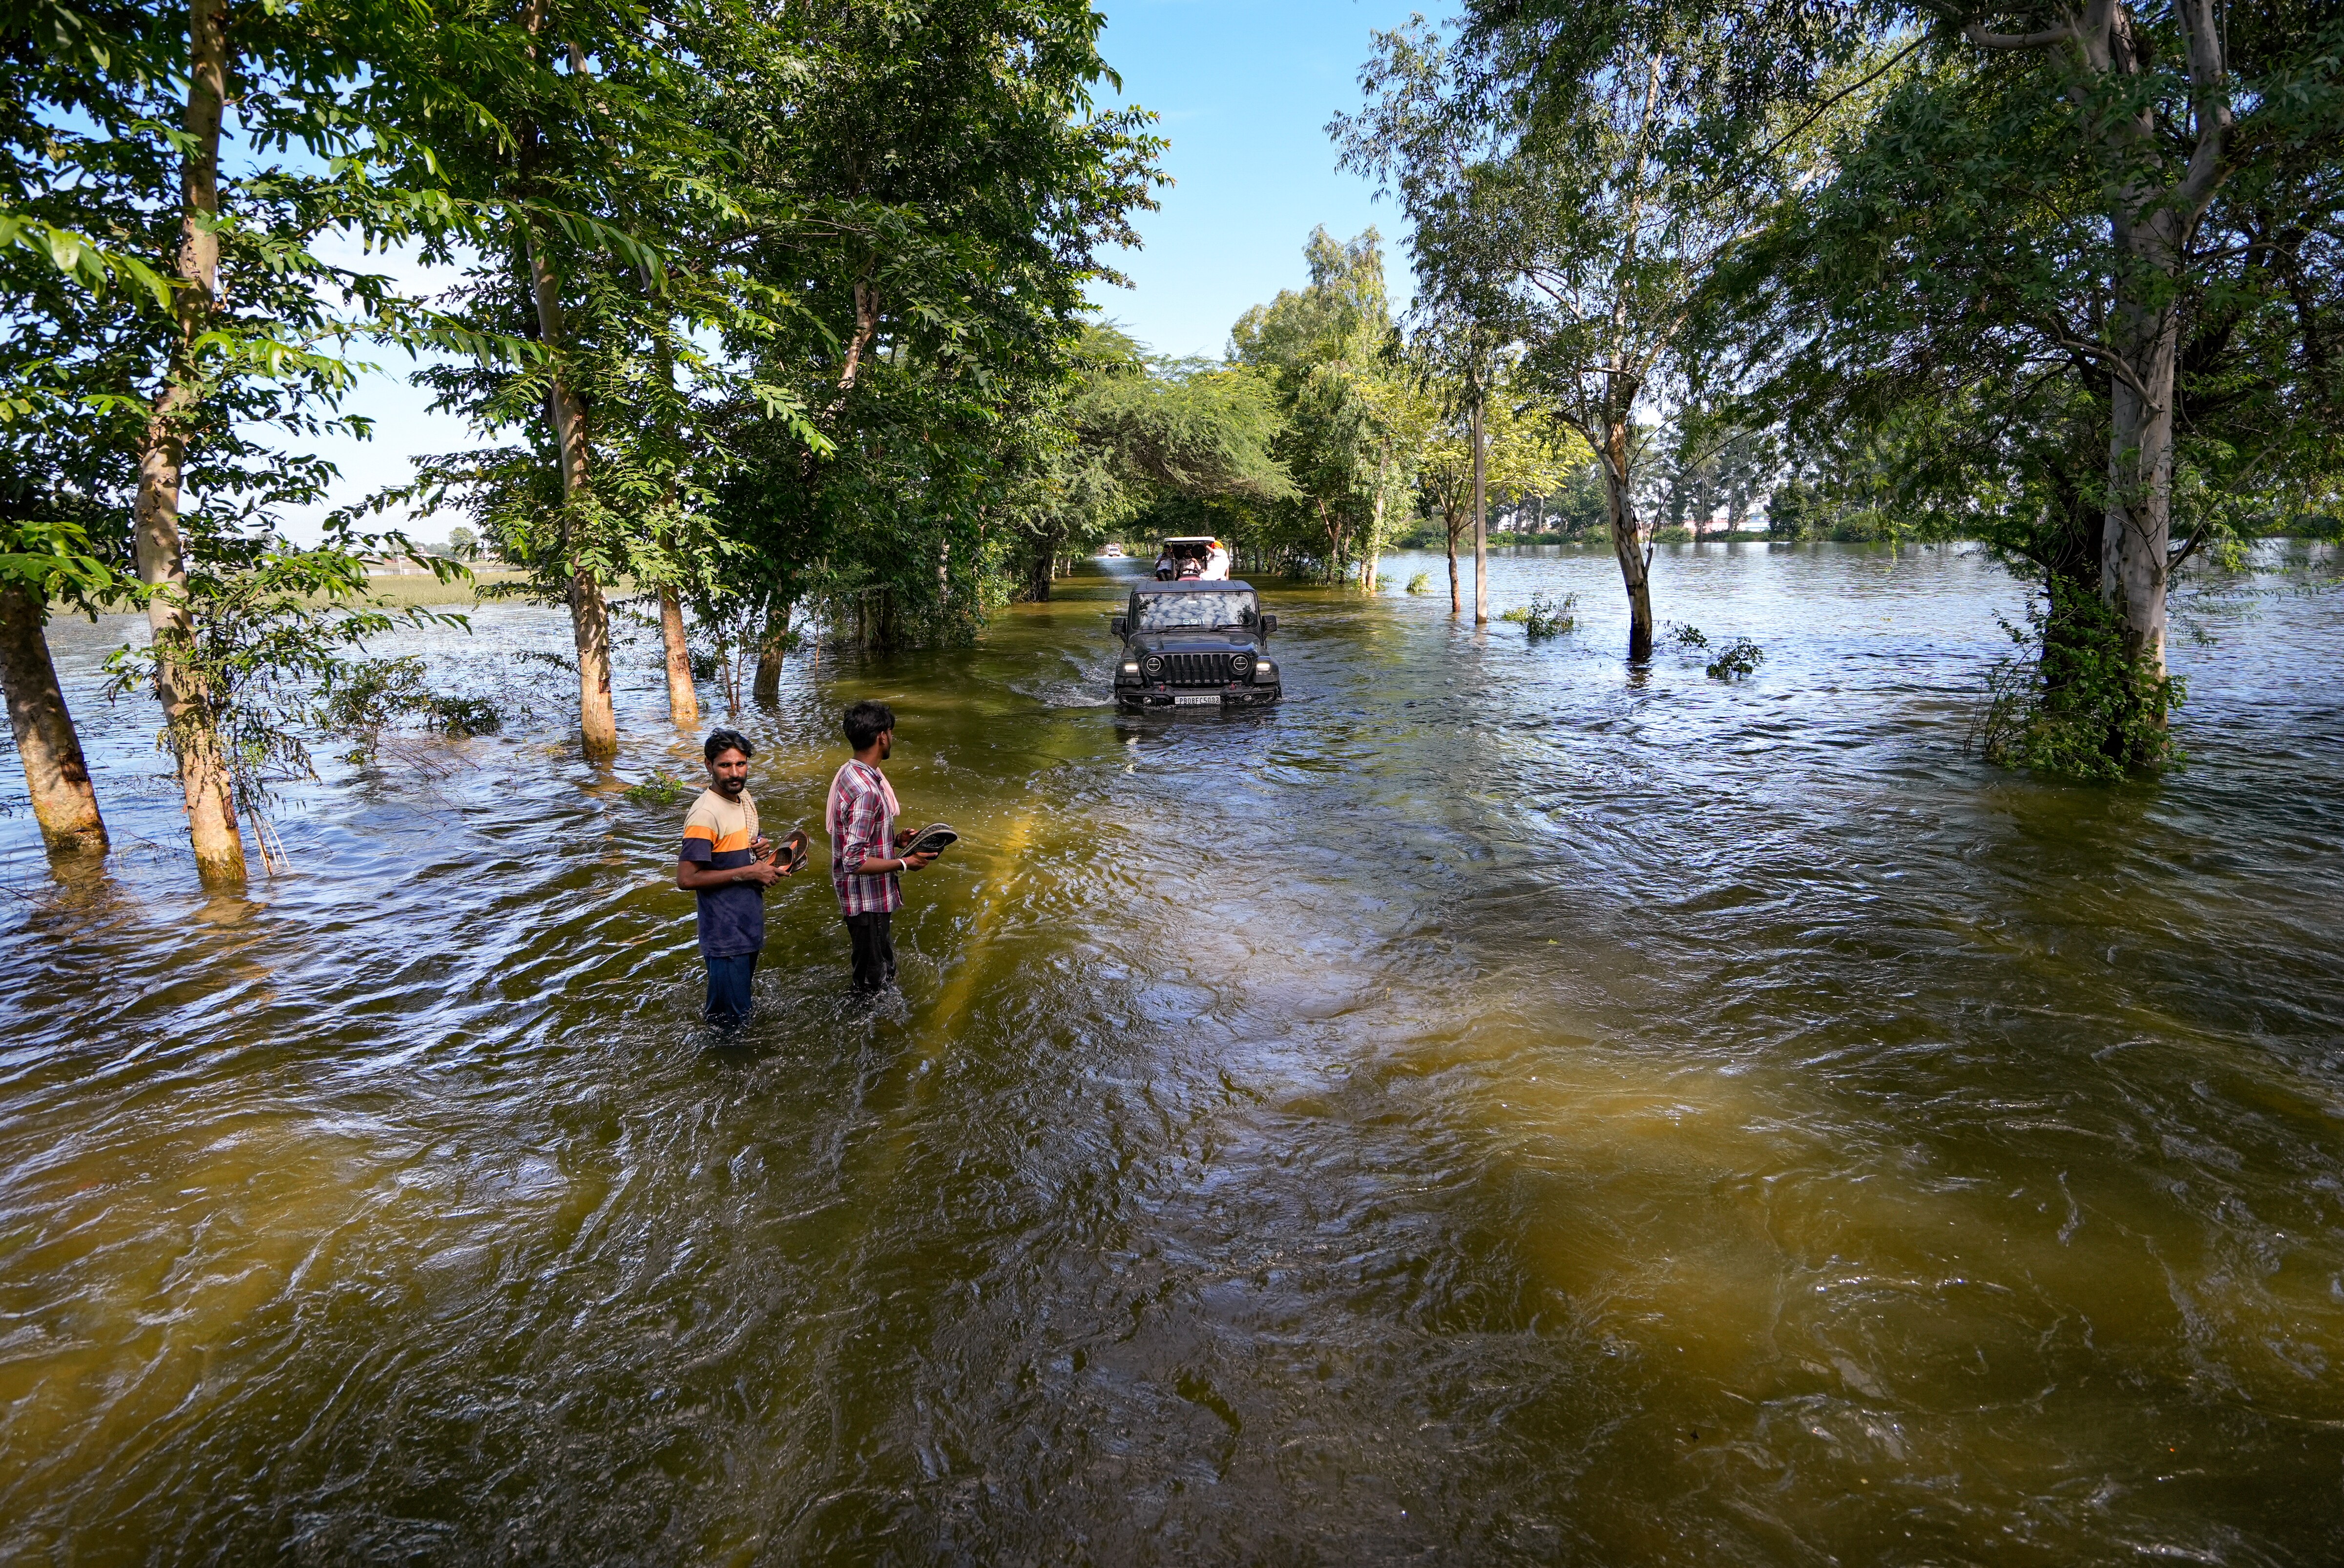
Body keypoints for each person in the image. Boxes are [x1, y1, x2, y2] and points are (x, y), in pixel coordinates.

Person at [676, 728, 792, 1024]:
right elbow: (686, 879)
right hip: (725, 932)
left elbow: (746, 844)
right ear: (708, 765)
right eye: (725, 765)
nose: (734, 773)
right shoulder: (705, 814)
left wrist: (761, 847)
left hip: (746, 922)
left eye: (740, 764)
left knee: (739, 1013)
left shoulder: (743, 799)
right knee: (728, 1023)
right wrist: (750, 871)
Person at [826, 699, 937, 994]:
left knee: (874, 969)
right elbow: (853, 860)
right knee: (873, 981)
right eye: (891, 733)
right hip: (867, 901)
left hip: (859, 899)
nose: (892, 740)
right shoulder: (867, 791)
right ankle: (866, 1030)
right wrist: (905, 863)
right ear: (882, 737)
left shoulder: (850, 773)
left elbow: (855, 834)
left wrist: (895, 841)